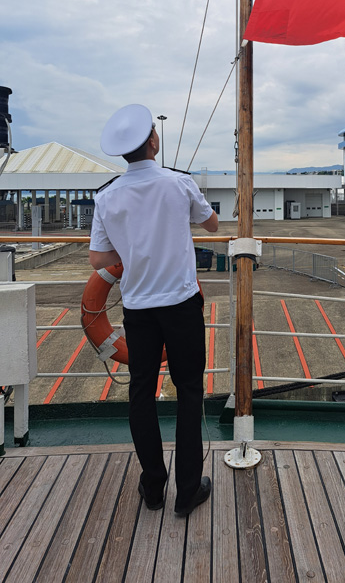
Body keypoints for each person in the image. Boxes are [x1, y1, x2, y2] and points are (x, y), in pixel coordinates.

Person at [89, 104, 218, 516]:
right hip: (181, 305)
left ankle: (154, 486)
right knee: (189, 391)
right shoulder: (179, 183)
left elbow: (98, 259)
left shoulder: (107, 196)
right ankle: (188, 490)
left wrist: (133, 250)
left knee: (141, 393)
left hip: (138, 310)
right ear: (153, 141)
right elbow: (212, 224)